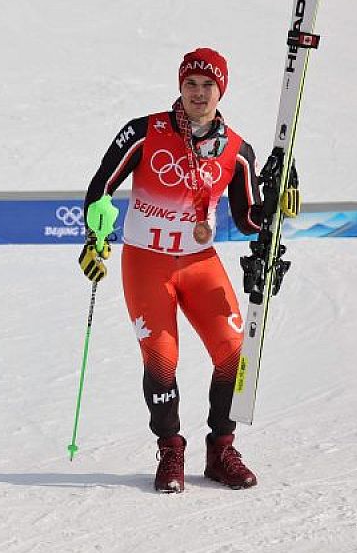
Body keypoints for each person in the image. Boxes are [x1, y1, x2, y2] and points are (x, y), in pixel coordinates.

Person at [80, 48, 298, 493]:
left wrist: (275, 205)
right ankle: (171, 448)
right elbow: (101, 185)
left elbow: (248, 219)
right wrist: (95, 229)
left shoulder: (237, 150)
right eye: (191, 84)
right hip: (147, 261)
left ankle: (221, 449)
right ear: (180, 86)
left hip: (200, 262)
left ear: (221, 91)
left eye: (208, 85)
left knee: (234, 353)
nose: (199, 93)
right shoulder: (144, 131)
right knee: (162, 359)